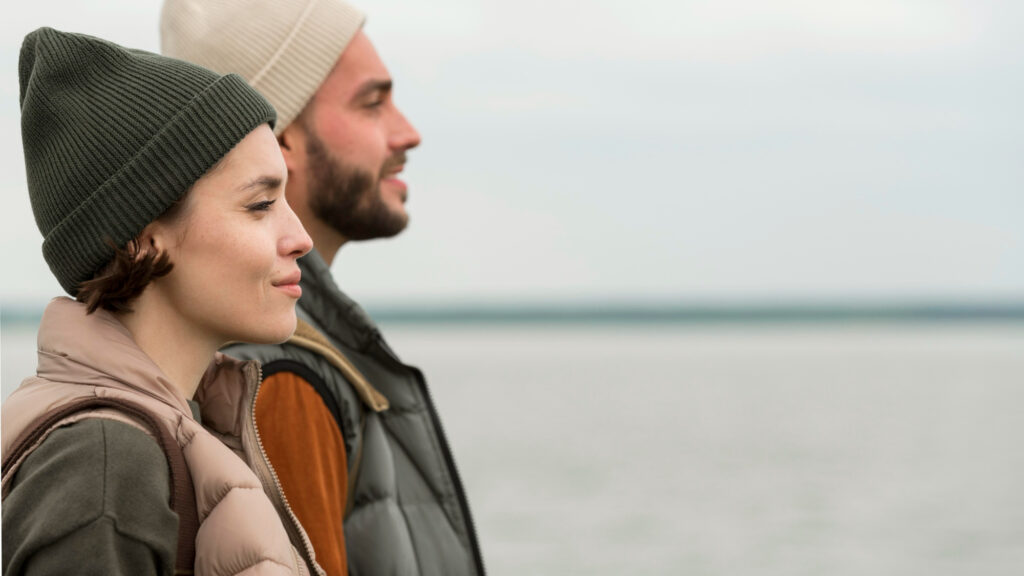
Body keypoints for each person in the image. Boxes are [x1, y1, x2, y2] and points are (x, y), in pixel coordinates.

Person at [161, 1, 486, 574]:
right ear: (279, 137)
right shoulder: (278, 378)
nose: (406, 133)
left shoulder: (282, 354)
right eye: (372, 103)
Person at [1, 27, 323, 575]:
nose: (300, 237)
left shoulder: (173, 429)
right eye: (261, 203)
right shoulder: (103, 463)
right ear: (144, 238)